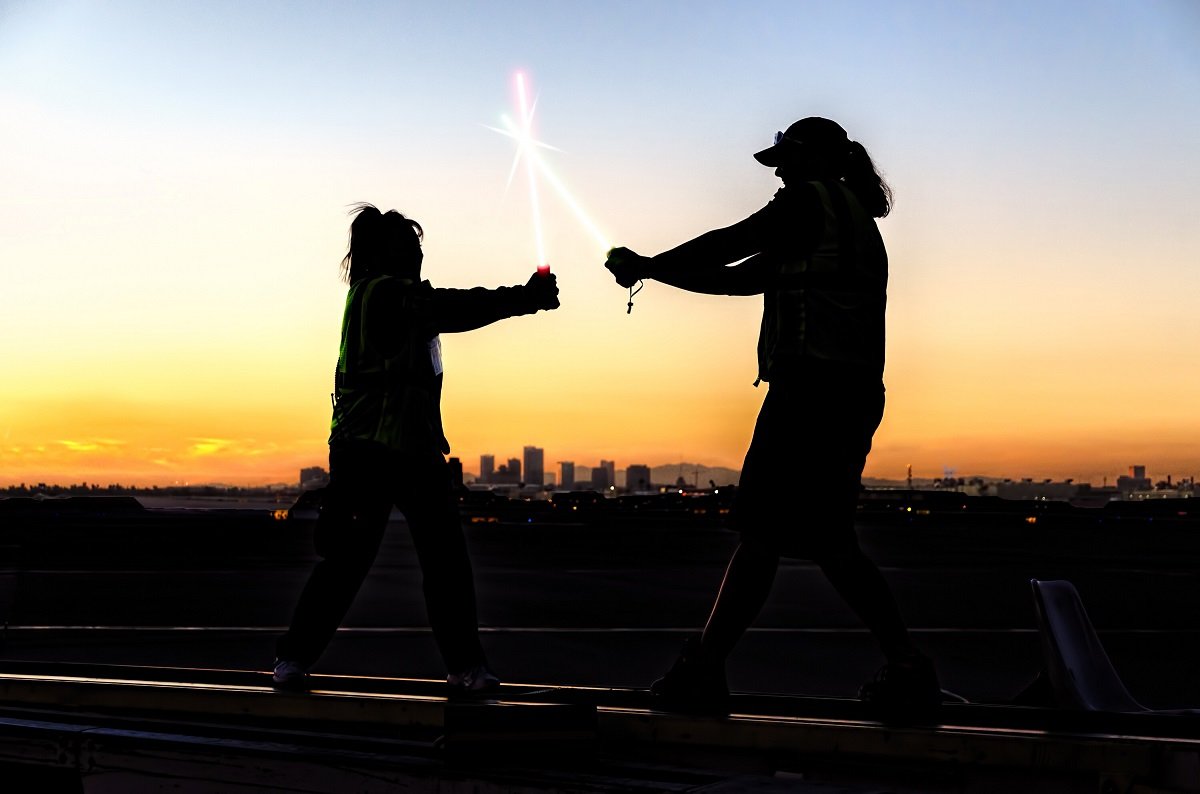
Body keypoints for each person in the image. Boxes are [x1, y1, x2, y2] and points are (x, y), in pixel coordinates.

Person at [605, 117, 939, 719]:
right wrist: (658, 273)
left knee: (762, 533)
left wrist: (647, 263)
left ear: (807, 160)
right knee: (831, 541)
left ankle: (705, 667)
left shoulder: (809, 204)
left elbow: (729, 245)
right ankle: (907, 665)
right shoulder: (850, 221)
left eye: (783, 162)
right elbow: (739, 280)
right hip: (852, 391)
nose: (778, 175)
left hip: (809, 391)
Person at [274, 203, 559, 694]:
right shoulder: (384, 294)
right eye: (406, 246)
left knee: (435, 562)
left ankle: (463, 666)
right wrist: (524, 299)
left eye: (417, 246)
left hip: (408, 450)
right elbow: (452, 307)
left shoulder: (386, 296)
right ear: (382, 254)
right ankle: (297, 659)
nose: (416, 254)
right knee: (367, 562)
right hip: (369, 451)